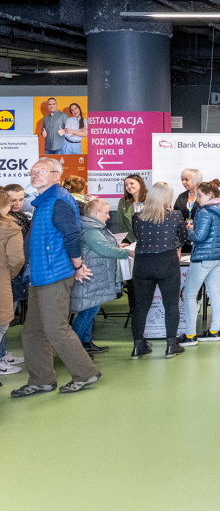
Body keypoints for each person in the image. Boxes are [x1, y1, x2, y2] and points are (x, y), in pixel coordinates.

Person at [11, 158, 100, 397]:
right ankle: (41, 379)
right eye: (33, 171)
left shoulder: (58, 199)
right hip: (39, 275)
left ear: (56, 175)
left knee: (56, 328)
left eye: (41, 171)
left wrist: (78, 264)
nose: (35, 174)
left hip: (53, 274)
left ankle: (85, 373)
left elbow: (72, 234)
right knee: (32, 332)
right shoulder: (44, 201)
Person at [131, 181, 188, 359]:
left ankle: (138, 347)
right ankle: (171, 345)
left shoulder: (137, 217)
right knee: (171, 304)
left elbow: (137, 235)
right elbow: (183, 237)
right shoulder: (175, 215)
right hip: (167, 262)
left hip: (142, 264)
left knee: (140, 306)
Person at [74, 198, 129, 356]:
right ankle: (74, 349)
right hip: (91, 275)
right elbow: (103, 249)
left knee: (91, 309)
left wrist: (117, 246)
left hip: (94, 274)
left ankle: (86, 343)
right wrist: (126, 252)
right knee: (88, 311)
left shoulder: (92, 227)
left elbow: (100, 246)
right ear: (96, 213)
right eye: (106, 213)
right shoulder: (91, 229)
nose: (108, 216)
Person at [181, 179, 220, 345]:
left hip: (203, 257)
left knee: (189, 295)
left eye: (200, 196)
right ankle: (214, 331)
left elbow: (199, 237)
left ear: (210, 194)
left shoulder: (204, 211)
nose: (197, 199)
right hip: (219, 258)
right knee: (214, 294)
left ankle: (190, 335)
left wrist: (186, 230)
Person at [0, 191, 24, 379]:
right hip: (3, 280)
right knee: (2, 323)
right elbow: (16, 259)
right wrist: (10, 275)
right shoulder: (10, 227)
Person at [117, 174, 147, 244]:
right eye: (126, 185)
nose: (129, 186)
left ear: (140, 184)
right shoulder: (123, 202)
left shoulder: (151, 198)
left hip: (150, 239)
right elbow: (121, 223)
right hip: (131, 240)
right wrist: (131, 239)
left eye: (131, 183)